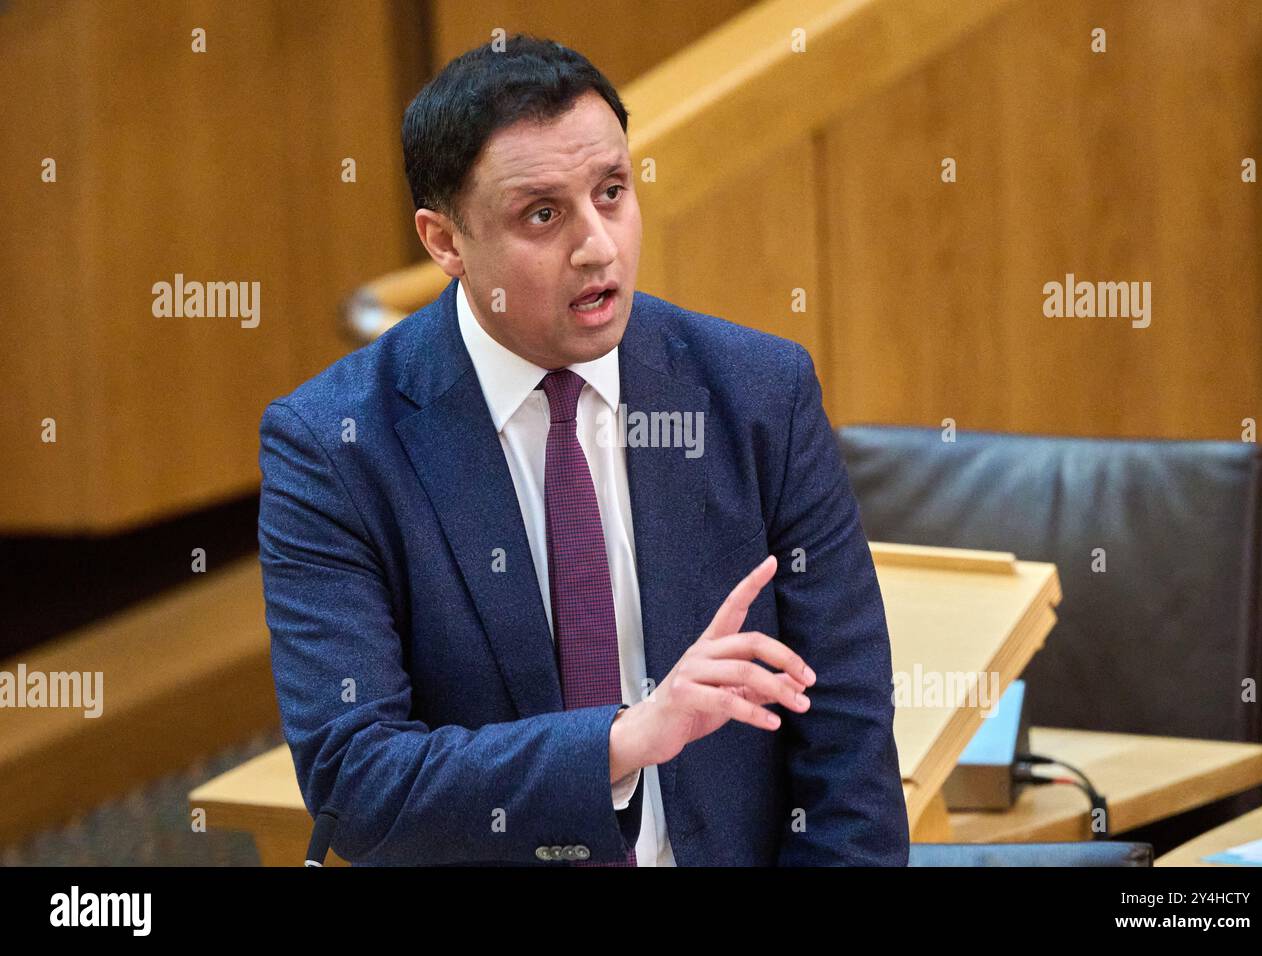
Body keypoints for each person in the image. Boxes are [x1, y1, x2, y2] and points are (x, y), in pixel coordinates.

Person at [257, 33, 908, 866]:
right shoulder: (335, 447)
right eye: (542, 214)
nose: (597, 245)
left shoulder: (758, 392)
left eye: (612, 192)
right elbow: (356, 778)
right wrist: (624, 739)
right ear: (445, 242)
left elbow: (847, 731)